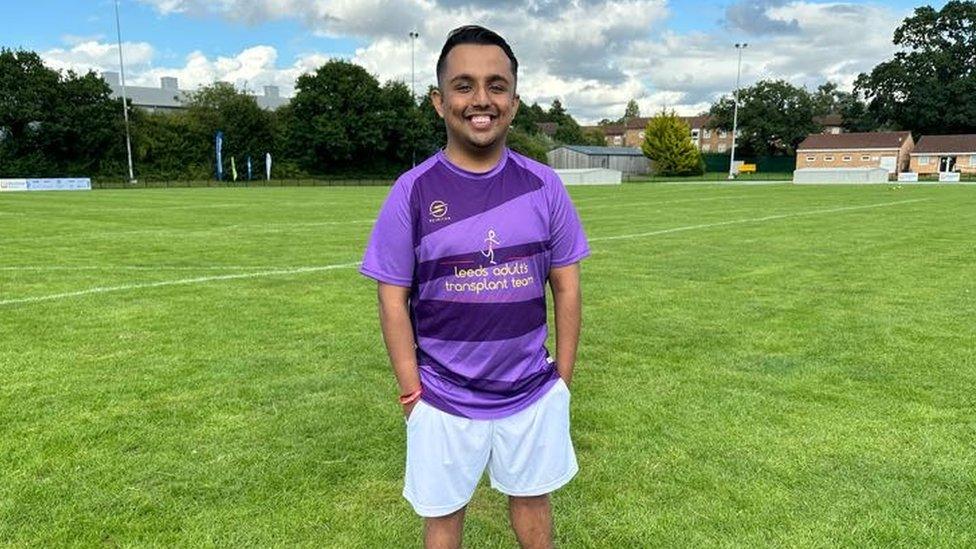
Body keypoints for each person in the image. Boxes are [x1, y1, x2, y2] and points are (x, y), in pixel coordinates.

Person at [360, 25, 589, 549]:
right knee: (443, 520)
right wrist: (412, 392)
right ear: (439, 102)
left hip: (531, 390)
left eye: (496, 85)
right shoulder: (412, 191)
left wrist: (563, 380)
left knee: (534, 508)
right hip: (441, 396)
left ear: (514, 100)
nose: (481, 100)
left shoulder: (543, 185)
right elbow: (392, 297)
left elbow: (567, 287)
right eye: (463, 86)